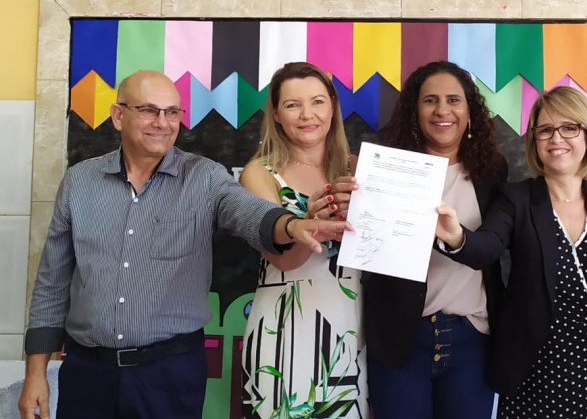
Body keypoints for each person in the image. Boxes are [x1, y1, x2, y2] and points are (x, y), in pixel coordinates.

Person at [18, 70, 351, 419]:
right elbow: (51, 283)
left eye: (172, 112)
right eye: (148, 110)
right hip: (87, 372)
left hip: (170, 375)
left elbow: (250, 213)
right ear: (118, 115)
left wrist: (293, 225)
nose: (162, 123)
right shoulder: (79, 181)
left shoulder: (204, 177)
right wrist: (35, 373)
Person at [435, 86, 587, 418]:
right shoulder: (516, 198)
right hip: (531, 376)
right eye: (545, 130)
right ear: (534, 140)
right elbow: (486, 247)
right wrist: (455, 236)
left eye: (569, 128)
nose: (556, 139)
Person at [363, 61, 508, 419]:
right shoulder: (385, 169)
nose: (442, 110)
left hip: (472, 339)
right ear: (414, 111)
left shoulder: (492, 171)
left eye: (453, 100)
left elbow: (494, 244)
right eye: (430, 100)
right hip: (401, 340)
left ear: (470, 112)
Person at [239, 62, 368, 418]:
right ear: (276, 114)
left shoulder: (360, 169)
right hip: (284, 329)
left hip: (350, 326)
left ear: (333, 108)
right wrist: (309, 225)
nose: (307, 115)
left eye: (317, 102)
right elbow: (283, 260)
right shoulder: (259, 174)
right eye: (293, 105)